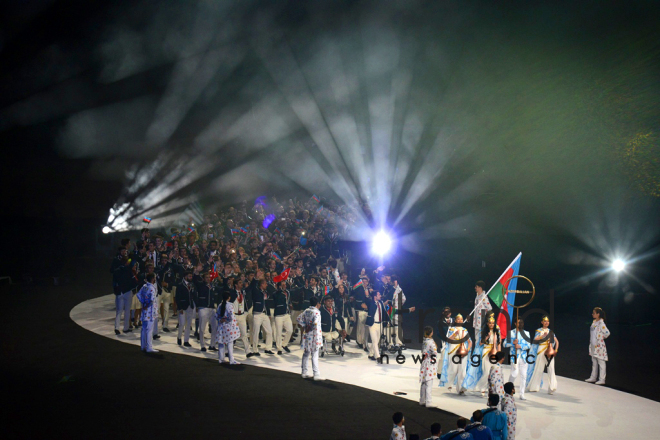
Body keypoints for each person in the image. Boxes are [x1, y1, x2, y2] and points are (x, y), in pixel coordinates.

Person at [467, 315, 502, 396]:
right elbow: (480, 343)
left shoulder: (496, 332)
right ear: (487, 323)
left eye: (493, 323)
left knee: (493, 372)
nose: (491, 325)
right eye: (490, 323)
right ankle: (481, 387)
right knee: (486, 372)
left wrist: (499, 354)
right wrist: (487, 337)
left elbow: (499, 343)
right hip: (486, 351)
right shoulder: (484, 331)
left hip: (494, 352)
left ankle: (490, 388)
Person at [439, 314, 472, 394]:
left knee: (462, 370)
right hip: (453, 351)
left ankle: (460, 388)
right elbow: (448, 340)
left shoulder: (465, 330)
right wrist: (455, 334)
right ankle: (449, 384)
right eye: (458, 319)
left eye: (462, 319)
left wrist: (467, 350)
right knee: (453, 369)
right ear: (456, 321)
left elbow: (470, 342)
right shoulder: (451, 329)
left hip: (462, 351)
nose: (460, 320)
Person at [526, 316, 559, 394]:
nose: (546, 322)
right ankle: (534, 387)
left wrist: (556, 350)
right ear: (542, 322)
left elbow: (557, 341)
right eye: (544, 321)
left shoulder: (551, 332)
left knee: (551, 369)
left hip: (549, 351)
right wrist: (542, 336)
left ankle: (552, 388)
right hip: (541, 351)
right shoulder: (539, 330)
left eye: (547, 321)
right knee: (539, 369)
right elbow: (535, 339)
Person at [297, 296, 324, 380]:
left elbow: (298, 319)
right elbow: (315, 323)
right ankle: (316, 374)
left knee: (306, 353)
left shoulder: (306, 311)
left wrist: (305, 326)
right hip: (315, 335)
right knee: (315, 354)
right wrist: (310, 326)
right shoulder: (316, 312)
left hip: (307, 335)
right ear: (317, 304)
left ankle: (304, 372)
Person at [503, 318, 530, 400]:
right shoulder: (511, 333)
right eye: (519, 322)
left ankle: (522, 394)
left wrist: (520, 346)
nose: (521, 324)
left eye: (522, 322)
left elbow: (529, 345)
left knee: (524, 375)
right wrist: (512, 343)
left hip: (524, 357)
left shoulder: (526, 333)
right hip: (514, 356)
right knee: (514, 373)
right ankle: (507, 390)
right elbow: (504, 344)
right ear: (515, 323)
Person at [248, 278, 274, 357]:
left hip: (265, 314)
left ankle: (268, 348)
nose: (267, 285)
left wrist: (268, 314)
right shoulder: (256, 291)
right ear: (261, 284)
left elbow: (267, 303)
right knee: (256, 332)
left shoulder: (265, 292)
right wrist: (256, 278)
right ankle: (255, 350)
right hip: (257, 314)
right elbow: (252, 286)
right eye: (265, 283)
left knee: (269, 331)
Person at [112, 256, 138, 335]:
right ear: (127, 262)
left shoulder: (116, 271)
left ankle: (116, 327)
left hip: (120, 292)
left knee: (119, 311)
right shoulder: (129, 271)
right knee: (127, 311)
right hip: (127, 292)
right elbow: (134, 282)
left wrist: (116, 291)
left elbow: (114, 283)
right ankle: (126, 328)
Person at [586, 307, 610, 385]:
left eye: (594, 313)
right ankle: (593, 377)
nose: (592, 314)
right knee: (594, 361)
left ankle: (602, 379)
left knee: (601, 362)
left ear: (598, 314)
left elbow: (607, 333)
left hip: (599, 346)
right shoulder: (594, 322)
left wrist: (600, 338)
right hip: (593, 345)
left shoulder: (601, 323)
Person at [215, 291, 241, 365]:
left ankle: (221, 359)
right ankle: (231, 360)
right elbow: (231, 317)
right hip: (228, 326)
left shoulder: (220, 305)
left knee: (221, 342)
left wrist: (221, 320)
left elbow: (216, 315)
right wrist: (227, 320)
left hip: (221, 326)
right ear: (229, 298)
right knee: (230, 342)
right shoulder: (230, 305)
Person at [137, 272, 159, 353]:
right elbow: (152, 299)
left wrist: (143, 302)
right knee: (149, 330)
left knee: (143, 329)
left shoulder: (144, 286)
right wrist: (148, 304)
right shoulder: (151, 288)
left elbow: (138, 295)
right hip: (150, 311)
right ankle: (149, 347)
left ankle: (143, 346)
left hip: (144, 310)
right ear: (153, 279)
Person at [366, 290, 390, 361]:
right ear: (375, 297)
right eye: (379, 294)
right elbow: (367, 300)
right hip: (373, 324)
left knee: (376, 341)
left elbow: (384, 312)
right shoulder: (371, 303)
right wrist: (368, 292)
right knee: (375, 341)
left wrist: (388, 321)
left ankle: (371, 354)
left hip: (380, 324)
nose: (380, 296)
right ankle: (378, 356)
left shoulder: (381, 303)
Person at [175, 271, 196, 347]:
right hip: (182, 307)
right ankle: (179, 337)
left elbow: (193, 295)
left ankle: (186, 341)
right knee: (182, 324)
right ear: (185, 277)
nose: (191, 278)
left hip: (190, 306)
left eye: (191, 276)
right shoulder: (180, 285)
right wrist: (179, 307)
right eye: (189, 276)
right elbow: (177, 297)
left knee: (188, 325)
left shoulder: (192, 284)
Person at [231, 278, 251, 355]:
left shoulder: (243, 292)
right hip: (234, 316)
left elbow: (250, 288)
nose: (241, 284)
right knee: (232, 334)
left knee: (244, 334)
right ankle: (229, 351)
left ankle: (248, 351)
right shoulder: (232, 293)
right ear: (236, 285)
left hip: (242, 315)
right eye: (239, 283)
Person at [273, 280, 294, 354]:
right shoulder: (276, 293)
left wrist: (290, 305)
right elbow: (276, 299)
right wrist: (279, 290)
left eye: (285, 284)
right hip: (278, 315)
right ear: (279, 286)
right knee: (278, 332)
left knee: (290, 330)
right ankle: (279, 348)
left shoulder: (287, 292)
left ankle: (284, 344)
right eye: (283, 284)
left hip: (286, 314)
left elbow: (288, 301)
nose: (285, 285)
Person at [420, 326, 439, 407]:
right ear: (431, 333)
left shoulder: (424, 341)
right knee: (429, 382)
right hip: (429, 363)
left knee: (424, 382)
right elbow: (435, 352)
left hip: (424, 362)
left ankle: (422, 400)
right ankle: (429, 402)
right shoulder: (431, 342)